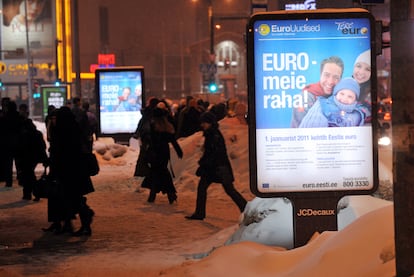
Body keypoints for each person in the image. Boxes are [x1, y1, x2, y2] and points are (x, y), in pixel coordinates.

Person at [185, 111, 247, 220]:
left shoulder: (213, 135)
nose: (202, 125)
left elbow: (213, 153)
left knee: (229, 190)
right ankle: (200, 213)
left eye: (204, 122)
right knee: (205, 188)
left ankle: (247, 209)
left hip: (218, 168)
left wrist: (203, 164)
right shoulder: (212, 133)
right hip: (215, 167)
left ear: (210, 123)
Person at [44, 107, 95, 236]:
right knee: (70, 198)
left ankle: (85, 221)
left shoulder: (64, 133)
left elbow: (62, 153)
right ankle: (75, 223)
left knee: (74, 199)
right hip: (74, 172)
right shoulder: (73, 130)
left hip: (69, 172)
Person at [141, 106, 183, 204]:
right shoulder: (167, 127)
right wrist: (179, 151)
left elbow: (149, 140)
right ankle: (169, 194)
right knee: (162, 172)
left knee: (157, 173)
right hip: (163, 152)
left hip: (155, 153)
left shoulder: (153, 126)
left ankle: (158, 194)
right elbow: (173, 141)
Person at [291, 56, 344, 127]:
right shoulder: (305, 97)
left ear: (340, 79)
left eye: (336, 77)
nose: (330, 81)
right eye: (327, 75)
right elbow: (301, 131)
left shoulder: (342, 97)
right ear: (320, 74)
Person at [299, 77, 366, 128]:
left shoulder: (357, 113)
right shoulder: (323, 105)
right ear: (336, 93)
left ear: (355, 100)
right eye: (342, 94)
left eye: (350, 96)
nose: (344, 98)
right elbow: (311, 124)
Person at [352, 49, 372, 123]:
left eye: (367, 69)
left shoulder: (370, 93)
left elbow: (367, 113)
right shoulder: (343, 85)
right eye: (359, 66)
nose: (361, 72)